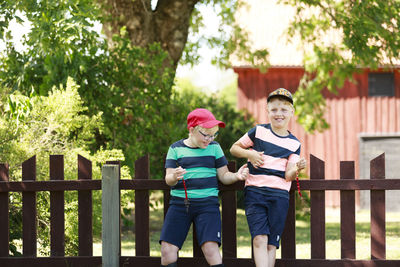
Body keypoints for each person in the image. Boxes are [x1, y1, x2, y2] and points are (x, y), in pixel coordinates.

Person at [160, 108, 249, 267]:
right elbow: (168, 179)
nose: (210, 139)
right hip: (180, 205)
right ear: (192, 130)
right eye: (206, 134)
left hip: (208, 205)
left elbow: (223, 175)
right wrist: (174, 176)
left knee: (210, 249)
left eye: (214, 134)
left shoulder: (215, 148)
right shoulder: (175, 149)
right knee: (167, 250)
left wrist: (236, 176)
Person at [230, 88, 307, 267]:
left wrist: (297, 168)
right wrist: (250, 155)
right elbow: (234, 148)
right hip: (255, 193)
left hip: (279, 196)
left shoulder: (294, 143)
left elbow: (288, 176)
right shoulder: (258, 132)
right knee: (259, 239)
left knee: (272, 244)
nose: (278, 114)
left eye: (283, 110)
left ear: (291, 112)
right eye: (274, 110)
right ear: (267, 111)